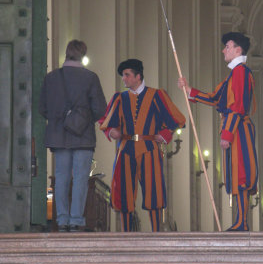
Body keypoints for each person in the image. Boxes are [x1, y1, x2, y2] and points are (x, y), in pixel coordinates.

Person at [178, 32, 258, 231]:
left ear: (238, 49)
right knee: (235, 174)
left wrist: (227, 133)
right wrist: (189, 90)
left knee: (241, 175)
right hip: (235, 127)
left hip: (238, 128)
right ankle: (240, 221)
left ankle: (242, 222)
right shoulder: (233, 74)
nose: (224, 50)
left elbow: (237, 106)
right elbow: (215, 98)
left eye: (227, 46)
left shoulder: (241, 72)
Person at [99, 59, 185, 232]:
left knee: (154, 190)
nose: (124, 79)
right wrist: (110, 132)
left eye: (127, 75)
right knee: (124, 192)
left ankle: (156, 232)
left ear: (138, 76)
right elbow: (105, 121)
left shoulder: (157, 95)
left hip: (150, 148)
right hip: (125, 148)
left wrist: (166, 134)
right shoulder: (120, 98)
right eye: (123, 75)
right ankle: (125, 233)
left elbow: (178, 119)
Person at [39, 40, 107, 232]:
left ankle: (61, 219)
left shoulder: (51, 78)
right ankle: (76, 219)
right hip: (83, 137)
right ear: (83, 55)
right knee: (80, 179)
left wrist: (59, 120)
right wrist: (82, 120)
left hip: (59, 137)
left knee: (61, 178)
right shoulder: (90, 78)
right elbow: (100, 108)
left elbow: (42, 108)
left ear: (66, 54)